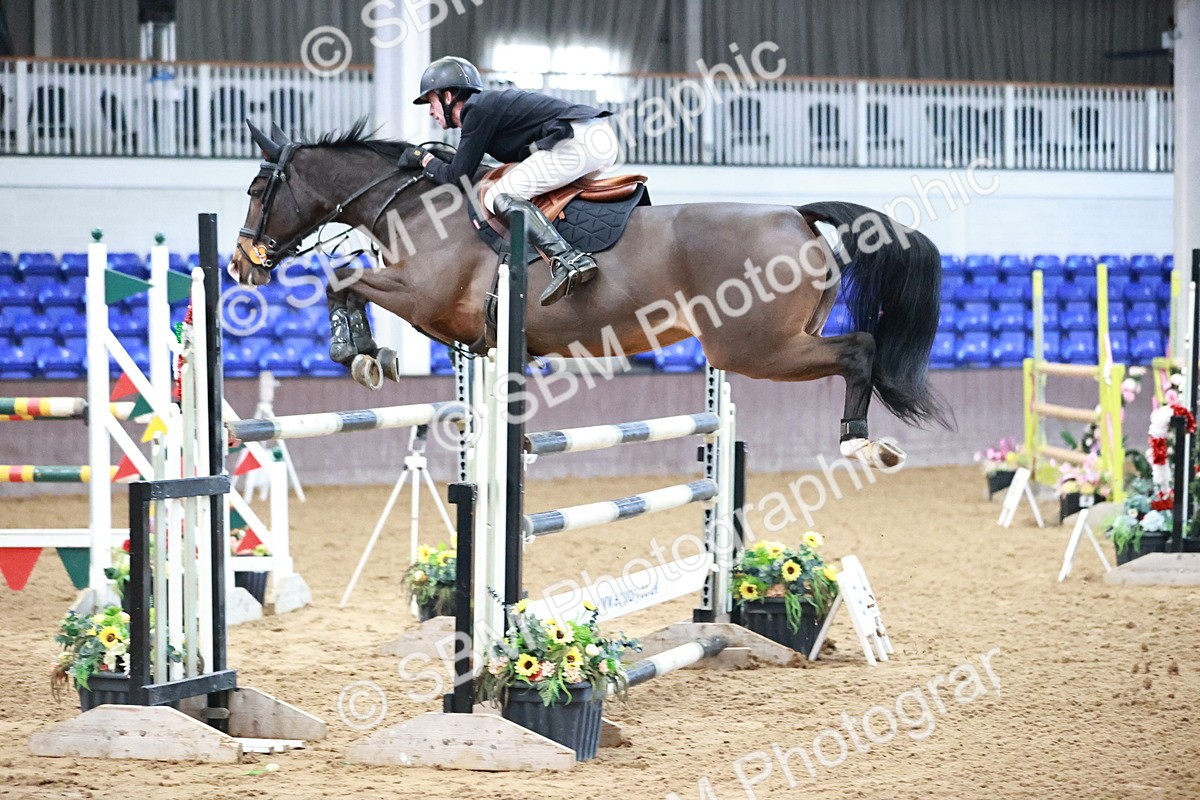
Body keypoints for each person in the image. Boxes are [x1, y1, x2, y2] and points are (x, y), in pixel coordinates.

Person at [405, 56, 620, 306]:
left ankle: (568, 258)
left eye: (431, 103)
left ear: (448, 96)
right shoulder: (485, 109)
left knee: (496, 195)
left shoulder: (476, 110)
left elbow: (456, 176)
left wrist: (425, 159)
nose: (431, 112)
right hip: (593, 137)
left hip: (579, 140)